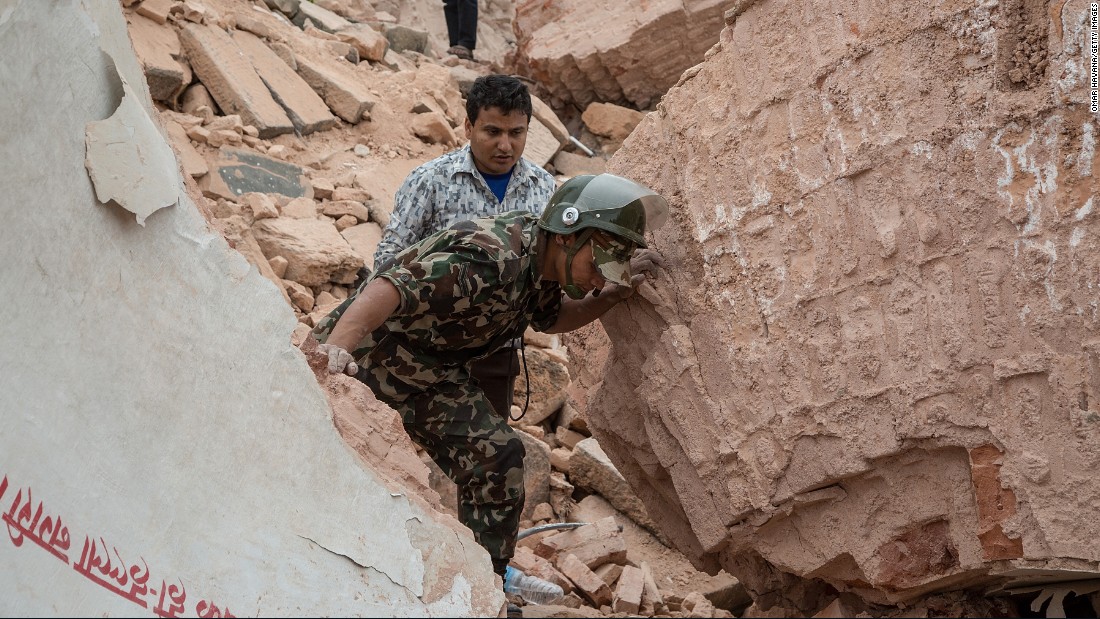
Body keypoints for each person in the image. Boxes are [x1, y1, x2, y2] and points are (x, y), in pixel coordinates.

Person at [313, 173, 668, 587]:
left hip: (433, 375)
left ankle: (486, 587)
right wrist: (334, 353)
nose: (599, 279)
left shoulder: (544, 264)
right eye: (598, 265)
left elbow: (552, 317)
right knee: (327, 462)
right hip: (368, 359)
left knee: (498, 459)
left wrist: (613, 294)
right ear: (569, 236)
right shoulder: (491, 258)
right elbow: (390, 287)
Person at [374, 74, 556, 422]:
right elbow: (388, 259)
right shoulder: (430, 180)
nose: (505, 145)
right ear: (468, 126)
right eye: (492, 132)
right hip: (425, 352)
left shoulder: (543, 189)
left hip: (496, 357)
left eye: (516, 133)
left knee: (490, 465)